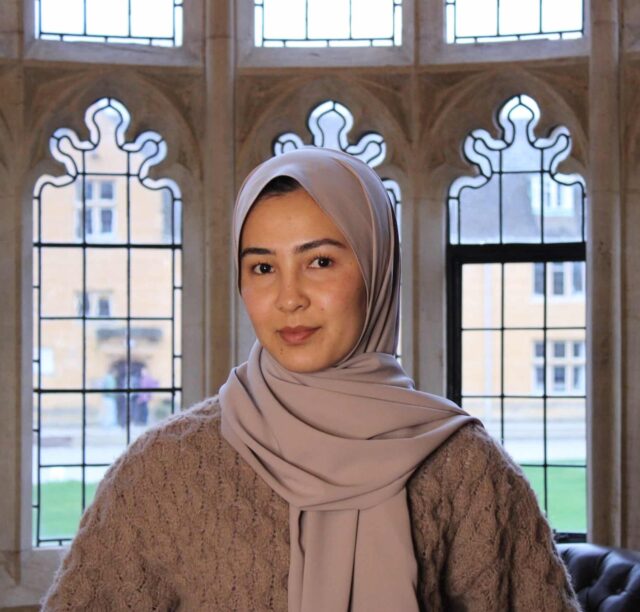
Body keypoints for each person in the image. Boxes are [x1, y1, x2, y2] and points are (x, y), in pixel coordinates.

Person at [42, 148, 580, 611]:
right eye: (262, 268)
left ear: (376, 267)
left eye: (319, 261)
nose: (289, 297)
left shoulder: (465, 468)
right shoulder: (163, 470)